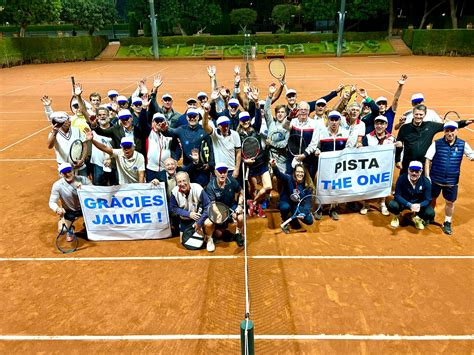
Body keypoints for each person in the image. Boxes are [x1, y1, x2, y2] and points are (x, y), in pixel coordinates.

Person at [424, 121, 474, 235]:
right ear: (444, 131)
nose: (450, 133)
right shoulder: (436, 143)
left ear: (457, 131)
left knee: (450, 202)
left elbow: (471, 156)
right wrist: (427, 176)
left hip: (451, 181)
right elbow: (428, 159)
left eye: (452, 130)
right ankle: (430, 217)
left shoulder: (463, 144)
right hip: (435, 178)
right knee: (432, 198)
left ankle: (447, 222)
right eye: (447, 130)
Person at [395, 104, 472, 174]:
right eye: (416, 114)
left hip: (424, 163)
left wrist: (465, 122)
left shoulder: (430, 126)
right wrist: (398, 160)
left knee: (423, 185)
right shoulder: (404, 128)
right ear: (413, 114)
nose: (418, 116)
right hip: (407, 163)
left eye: (421, 114)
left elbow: (447, 125)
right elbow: (399, 144)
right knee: (404, 184)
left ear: (424, 115)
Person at [361, 115, 402, 215]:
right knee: (368, 185)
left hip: (385, 168)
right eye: (377, 123)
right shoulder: (367, 137)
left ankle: (382, 203)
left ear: (386, 125)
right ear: (374, 125)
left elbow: (397, 152)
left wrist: (399, 153)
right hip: (369, 167)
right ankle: (366, 204)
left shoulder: (392, 138)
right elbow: (361, 152)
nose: (379, 126)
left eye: (382, 124)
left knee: (383, 184)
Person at [169, 172, 213, 251]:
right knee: (183, 241)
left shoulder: (198, 188)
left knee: (208, 224)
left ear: (189, 180)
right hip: (185, 219)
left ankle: (209, 238)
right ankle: (202, 233)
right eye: (179, 181)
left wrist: (199, 222)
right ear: (176, 182)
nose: (182, 184)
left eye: (184, 180)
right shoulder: (174, 192)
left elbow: (208, 206)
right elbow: (172, 207)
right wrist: (189, 214)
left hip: (199, 218)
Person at [204, 162, 245, 247]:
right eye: (220, 172)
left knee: (240, 217)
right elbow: (213, 204)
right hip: (218, 209)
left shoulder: (232, 180)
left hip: (231, 207)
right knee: (217, 233)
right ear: (215, 172)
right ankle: (210, 238)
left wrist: (240, 206)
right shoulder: (210, 186)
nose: (222, 174)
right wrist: (219, 214)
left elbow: (242, 192)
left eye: (225, 172)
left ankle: (238, 233)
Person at [49, 163, 91, 241]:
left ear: (73, 171)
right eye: (64, 173)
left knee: (96, 225)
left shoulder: (83, 180)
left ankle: (87, 227)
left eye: (69, 171)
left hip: (86, 209)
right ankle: (70, 228)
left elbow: (95, 193)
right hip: (70, 211)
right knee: (62, 230)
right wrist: (57, 209)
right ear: (61, 174)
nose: (68, 174)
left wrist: (85, 189)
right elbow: (52, 202)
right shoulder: (57, 185)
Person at [271, 160, 316, 234]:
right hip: (286, 202)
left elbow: (307, 203)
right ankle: (285, 220)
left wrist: (304, 213)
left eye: (302, 172)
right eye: (298, 172)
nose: (300, 174)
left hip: (297, 206)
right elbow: (279, 175)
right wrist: (274, 166)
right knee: (285, 207)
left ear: (304, 174)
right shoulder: (289, 179)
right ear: (294, 173)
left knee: (309, 220)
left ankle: (293, 214)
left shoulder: (308, 186)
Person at [388, 161, 435, 230]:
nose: (414, 173)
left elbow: (428, 199)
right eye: (411, 170)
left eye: (417, 171)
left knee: (430, 213)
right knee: (393, 205)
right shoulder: (401, 178)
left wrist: (419, 205)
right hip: (404, 203)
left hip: (418, 205)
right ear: (408, 170)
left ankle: (417, 217)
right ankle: (397, 216)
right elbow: (397, 195)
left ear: (421, 171)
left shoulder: (426, 182)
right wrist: (409, 204)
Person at [46, 111, 88, 176]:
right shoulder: (53, 133)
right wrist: (54, 132)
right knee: (66, 186)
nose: (68, 122)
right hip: (64, 166)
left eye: (68, 120)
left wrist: (82, 159)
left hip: (79, 165)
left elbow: (85, 145)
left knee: (83, 185)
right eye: (65, 121)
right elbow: (49, 146)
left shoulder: (77, 130)